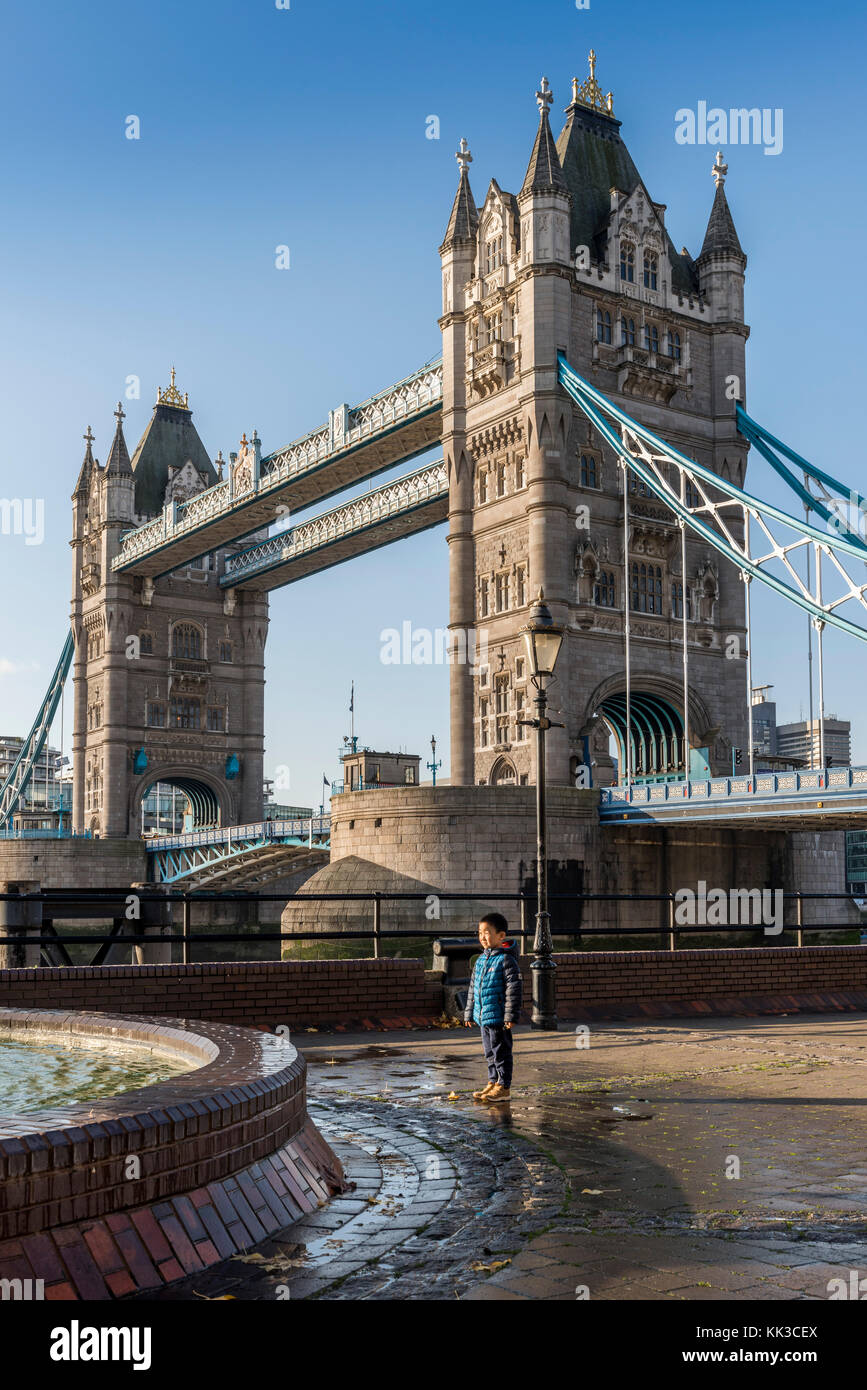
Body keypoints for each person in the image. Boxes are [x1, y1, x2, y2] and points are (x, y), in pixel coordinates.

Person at [463, 912, 522, 1102]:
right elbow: (472, 989)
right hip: (483, 1017)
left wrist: (510, 1016)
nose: (482, 937)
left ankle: (504, 1086)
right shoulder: (480, 961)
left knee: (501, 1052)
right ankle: (492, 1081)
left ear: (501, 936)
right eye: (480, 933)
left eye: (487, 932)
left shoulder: (506, 960)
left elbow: (514, 989)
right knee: (489, 1052)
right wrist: (469, 1013)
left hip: (498, 1017)